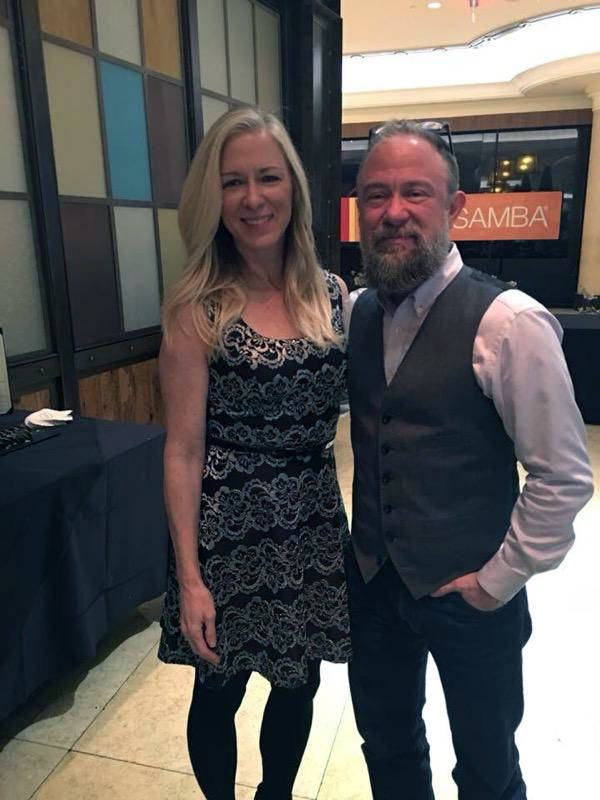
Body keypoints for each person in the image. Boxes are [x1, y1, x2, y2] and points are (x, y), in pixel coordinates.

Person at [344, 119, 594, 800]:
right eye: (375, 195)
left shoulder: (509, 321)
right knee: (388, 747)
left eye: (415, 194)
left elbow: (564, 475)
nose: (393, 212)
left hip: (472, 594)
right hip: (371, 584)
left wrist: (499, 580)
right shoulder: (357, 310)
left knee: (486, 769)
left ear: (454, 207)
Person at [158, 107, 351, 800]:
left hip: (311, 522)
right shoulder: (199, 307)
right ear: (214, 199)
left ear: (293, 187)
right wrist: (189, 579)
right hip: (227, 533)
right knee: (220, 688)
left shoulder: (330, 294)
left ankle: (277, 794)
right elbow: (181, 452)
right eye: (233, 182)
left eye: (268, 177)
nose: (253, 198)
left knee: (301, 682)